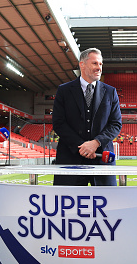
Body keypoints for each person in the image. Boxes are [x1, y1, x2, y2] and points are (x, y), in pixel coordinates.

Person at [52, 47, 122, 186]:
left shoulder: (110, 92)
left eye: (101, 64)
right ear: (82, 64)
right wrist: (83, 147)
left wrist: (95, 143)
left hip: (103, 160)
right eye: (95, 63)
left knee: (107, 205)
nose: (99, 68)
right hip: (70, 158)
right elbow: (59, 123)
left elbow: (116, 124)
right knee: (69, 205)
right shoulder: (64, 90)